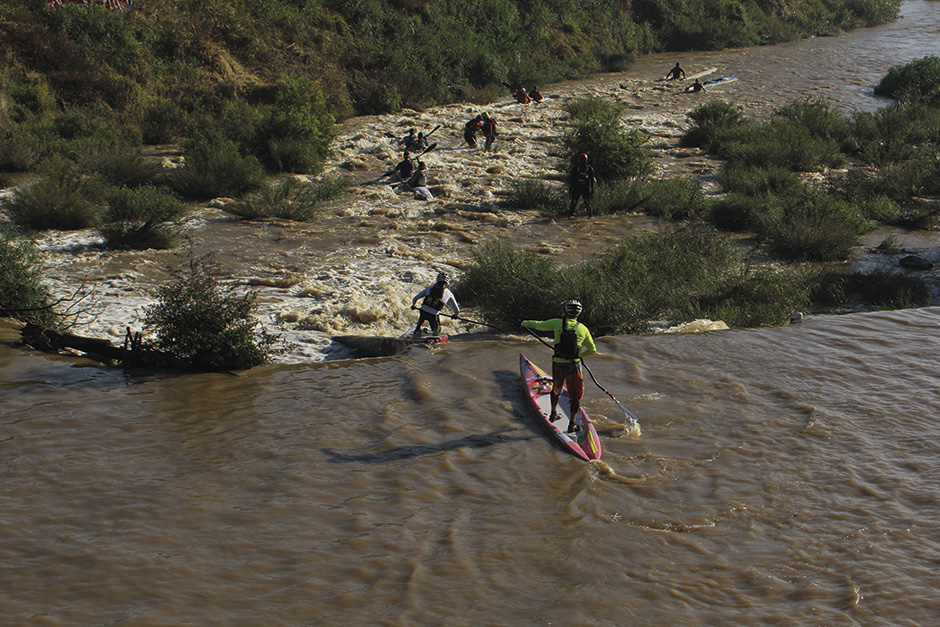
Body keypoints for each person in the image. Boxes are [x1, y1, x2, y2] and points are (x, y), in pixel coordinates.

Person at [520, 300, 597, 434]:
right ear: (579, 313)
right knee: (576, 395)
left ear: (566, 311)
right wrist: (579, 356)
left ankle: (553, 413)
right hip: (574, 366)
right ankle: (571, 424)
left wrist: (522, 323)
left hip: (558, 364)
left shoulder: (556, 323)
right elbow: (592, 350)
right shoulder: (583, 329)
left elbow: (538, 325)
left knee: (556, 389)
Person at [568, 153, 597, 217]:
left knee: (587, 203)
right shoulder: (576, 168)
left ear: (586, 160)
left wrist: (592, 190)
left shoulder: (590, 169)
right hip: (577, 188)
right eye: (581, 159)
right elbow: (572, 179)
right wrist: (570, 189)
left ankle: (590, 218)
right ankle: (570, 217)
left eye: (583, 159)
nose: (582, 161)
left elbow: (592, 181)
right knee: (573, 203)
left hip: (585, 189)